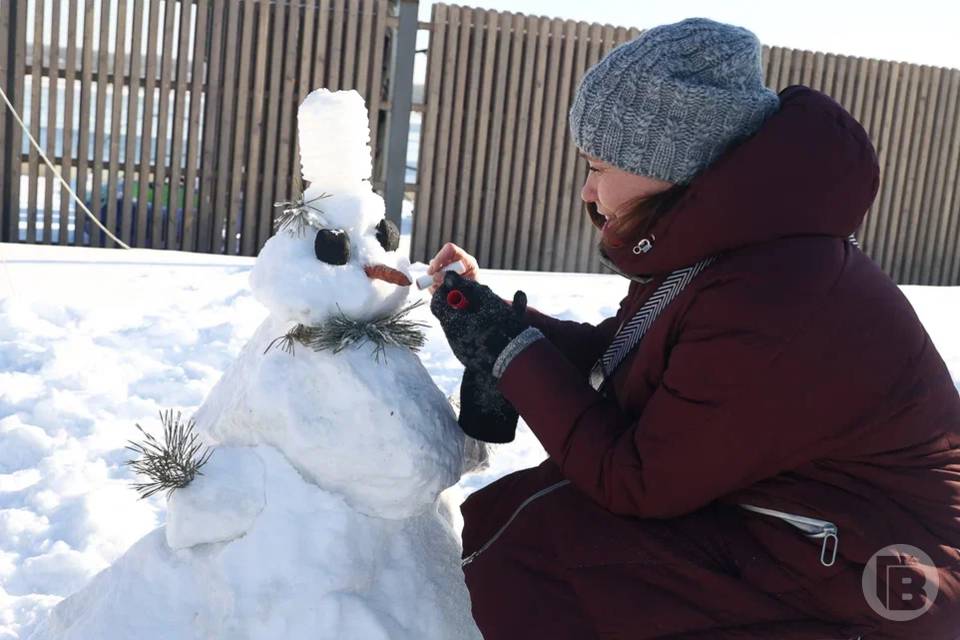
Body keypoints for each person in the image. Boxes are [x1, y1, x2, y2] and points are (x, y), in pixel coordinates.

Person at [425, 17, 960, 640]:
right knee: (526, 522)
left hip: (886, 573)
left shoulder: (779, 291)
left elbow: (640, 479)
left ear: (673, 162)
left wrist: (513, 353)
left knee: (546, 565)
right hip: (806, 517)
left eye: (600, 165)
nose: (588, 190)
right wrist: (502, 325)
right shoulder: (734, 245)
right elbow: (631, 356)